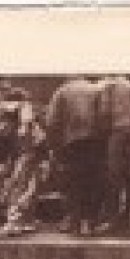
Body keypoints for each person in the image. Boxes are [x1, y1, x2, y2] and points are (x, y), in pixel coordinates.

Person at [44, 75, 102, 234]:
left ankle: (74, 221)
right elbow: (105, 114)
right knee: (92, 180)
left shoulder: (62, 91)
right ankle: (90, 222)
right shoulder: (96, 89)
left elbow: (51, 120)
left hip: (72, 141)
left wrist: (53, 145)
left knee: (73, 181)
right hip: (95, 141)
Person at [95, 75, 130, 233]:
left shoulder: (108, 86)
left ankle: (114, 220)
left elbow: (104, 112)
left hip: (118, 131)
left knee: (115, 174)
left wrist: (102, 132)